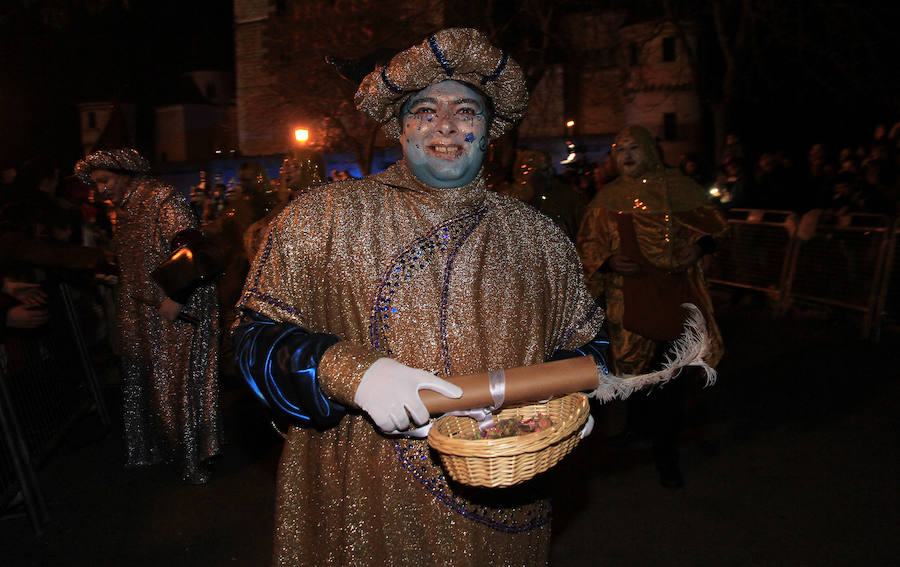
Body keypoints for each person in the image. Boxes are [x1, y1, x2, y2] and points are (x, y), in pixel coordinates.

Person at [233, 28, 609, 566]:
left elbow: (589, 344)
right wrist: (350, 374)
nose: (447, 125)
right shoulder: (322, 217)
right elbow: (253, 340)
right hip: (364, 491)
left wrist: (573, 398)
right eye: (425, 109)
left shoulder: (541, 237)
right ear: (399, 127)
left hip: (503, 508)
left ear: (489, 129)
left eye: (466, 110)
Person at [576, 125, 727, 488]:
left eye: (634, 148)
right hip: (630, 299)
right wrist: (609, 262)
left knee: (670, 377)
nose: (626, 155)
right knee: (637, 374)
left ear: (649, 150)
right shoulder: (607, 199)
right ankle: (637, 428)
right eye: (620, 149)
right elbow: (588, 246)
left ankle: (666, 452)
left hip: (675, 296)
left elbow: (716, 228)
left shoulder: (680, 190)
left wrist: (700, 247)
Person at [75, 148, 223, 484]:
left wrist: (177, 296)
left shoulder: (161, 198)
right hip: (143, 311)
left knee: (180, 382)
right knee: (152, 380)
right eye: (96, 183)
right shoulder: (123, 210)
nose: (101, 190)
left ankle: (193, 457)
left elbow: (191, 247)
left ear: (125, 174)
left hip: (176, 309)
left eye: (105, 181)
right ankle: (161, 449)